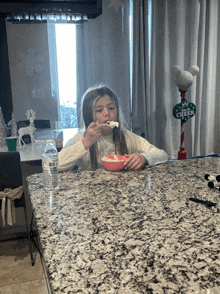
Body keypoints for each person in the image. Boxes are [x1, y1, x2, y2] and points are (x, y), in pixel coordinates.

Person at [58, 85, 168, 171]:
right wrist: (86, 142)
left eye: (111, 108)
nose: (107, 113)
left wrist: (143, 158)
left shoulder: (127, 137)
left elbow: (162, 154)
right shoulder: (81, 138)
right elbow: (55, 164)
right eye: (99, 110)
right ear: (89, 115)